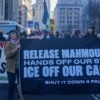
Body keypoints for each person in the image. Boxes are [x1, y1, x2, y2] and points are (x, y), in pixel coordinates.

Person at [4, 30, 21, 100]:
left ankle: (18, 96)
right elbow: (7, 55)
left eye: (14, 34)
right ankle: (9, 98)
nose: (13, 36)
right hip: (11, 68)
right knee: (11, 84)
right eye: (11, 34)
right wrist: (16, 49)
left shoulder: (20, 42)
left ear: (17, 35)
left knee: (19, 84)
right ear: (10, 36)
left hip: (18, 68)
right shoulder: (8, 44)